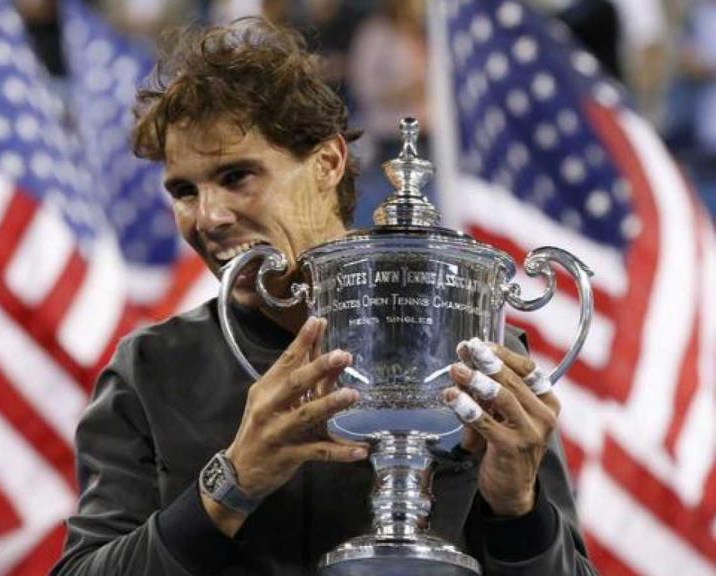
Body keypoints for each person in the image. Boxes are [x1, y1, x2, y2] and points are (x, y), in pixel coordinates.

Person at [52, 18, 597, 576]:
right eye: (184, 191)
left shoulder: (471, 350)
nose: (208, 218)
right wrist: (229, 485)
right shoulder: (149, 369)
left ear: (328, 163)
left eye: (238, 176)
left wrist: (518, 512)